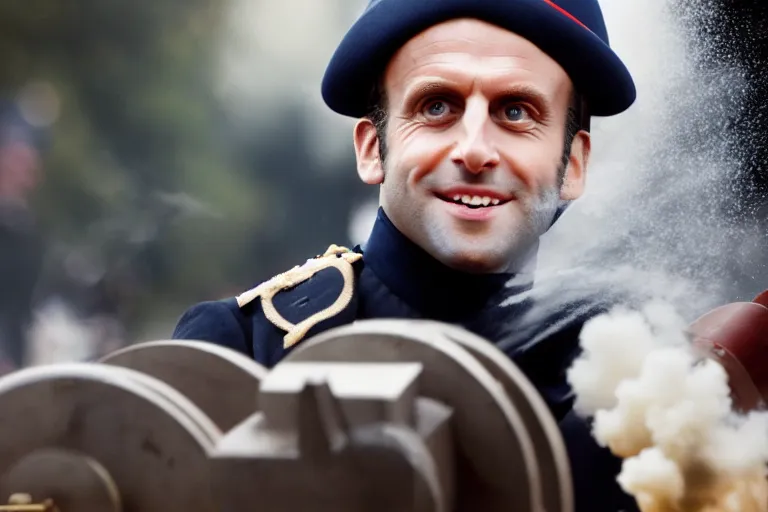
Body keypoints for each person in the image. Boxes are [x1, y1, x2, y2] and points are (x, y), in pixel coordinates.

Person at [173, 0, 639, 510]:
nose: (475, 149)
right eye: (437, 106)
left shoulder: (631, 391)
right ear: (373, 148)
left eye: (515, 111)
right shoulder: (241, 350)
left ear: (572, 164)